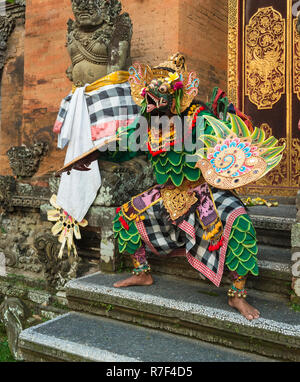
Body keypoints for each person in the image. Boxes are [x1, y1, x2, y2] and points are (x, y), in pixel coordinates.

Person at [62, 53, 284, 321]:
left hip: (203, 191)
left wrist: (230, 127)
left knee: (239, 222)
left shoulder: (197, 117)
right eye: (151, 93)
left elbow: (224, 144)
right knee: (125, 216)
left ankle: (237, 294)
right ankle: (142, 272)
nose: (154, 99)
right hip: (166, 193)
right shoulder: (147, 123)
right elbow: (123, 146)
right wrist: (95, 155)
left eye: (162, 91)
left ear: (179, 94)